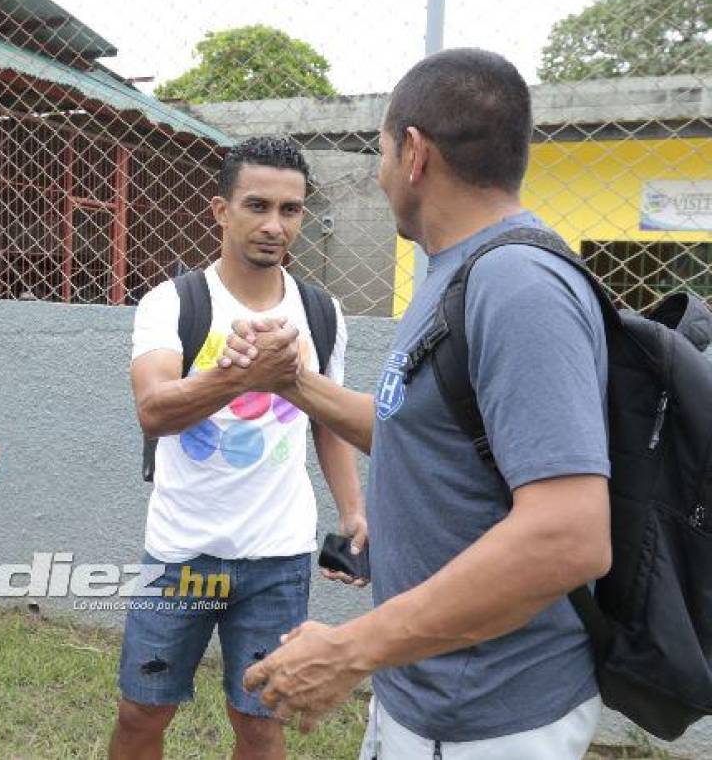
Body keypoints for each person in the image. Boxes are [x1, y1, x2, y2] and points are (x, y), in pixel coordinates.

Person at [239, 49, 610, 759]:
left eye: (380, 152)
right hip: (427, 695)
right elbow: (424, 435)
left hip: (486, 718)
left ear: (412, 152)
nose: (379, 176)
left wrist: (350, 650)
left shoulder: (517, 287)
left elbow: (568, 535)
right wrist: (294, 383)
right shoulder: (457, 271)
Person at [109, 136, 367, 760]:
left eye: (291, 209)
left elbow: (327, 422)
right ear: (221, 211)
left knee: (261, 720)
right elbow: (154, 409)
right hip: (182, 554)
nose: (274, 225)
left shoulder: (320, 311)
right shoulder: (174, 303)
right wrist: (239, 375)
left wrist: (352, 510)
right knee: (142, 712)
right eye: (256, 206)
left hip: (278, 556)